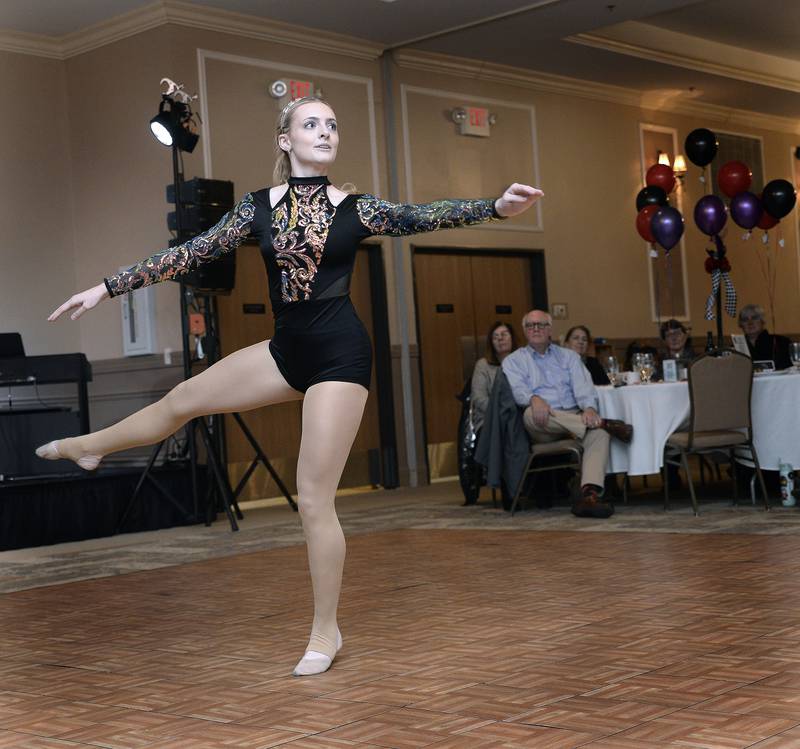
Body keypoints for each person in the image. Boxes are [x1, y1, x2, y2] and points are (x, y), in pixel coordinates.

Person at [35, 96, 543, 676]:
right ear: (285, 139)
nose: (325, 132)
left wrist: (495, 207)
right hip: (285, 352)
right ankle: (94, 446)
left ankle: (326, 631)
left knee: (312, 498)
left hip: (339, 356)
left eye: (332, 123)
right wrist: (107, 287)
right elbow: (189, 252)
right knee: (183, 399)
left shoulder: (356, 208)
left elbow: (422, 215)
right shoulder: (256, 209)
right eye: (311, 124)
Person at [502, 310, 633, 518]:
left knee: (599, 434)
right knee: (529, 414)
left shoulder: (569, 357)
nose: (536, 329)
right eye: (530, 326)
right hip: (542, 422)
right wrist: (533, 399)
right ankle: (603, 423)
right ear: (525, 331)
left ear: (550, 330)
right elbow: (518, 391)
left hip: (572, 417)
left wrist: (589, 408)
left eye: (541, 325)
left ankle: (589, 495)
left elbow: (584, 387)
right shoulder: (513, 361)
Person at [470, 321, 516, 432]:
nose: (500, 339)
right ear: (491, 343)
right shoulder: (483, 365)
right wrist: (502, 411)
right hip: (489, 418)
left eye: (504, 334)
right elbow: (479, 399)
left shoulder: (522, 363)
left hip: (517, 417)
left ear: (512, 338)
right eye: (495, 337)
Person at [738, 304, 791, 370]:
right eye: (745, 319)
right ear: (741, 324)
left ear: (762, 321)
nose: (750, 323)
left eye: (754, 318)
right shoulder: (735, 347)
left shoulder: (782, 342)